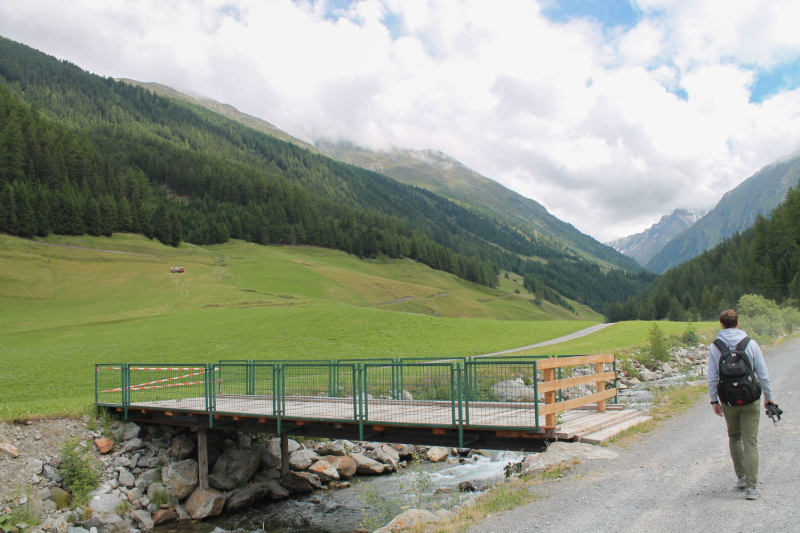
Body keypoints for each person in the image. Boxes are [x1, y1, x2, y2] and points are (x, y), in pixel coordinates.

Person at [708, 309, 775, 500]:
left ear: (721, 325)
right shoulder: (750, 343)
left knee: (735, 436)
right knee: (751, 442)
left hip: (728, 398)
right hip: (750, 397)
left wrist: (714, 400)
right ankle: (752, 488)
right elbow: (763, 374)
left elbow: (712, 377)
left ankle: (742, 478)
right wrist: (768, 397)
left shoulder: (715, 347)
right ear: (738, 323)